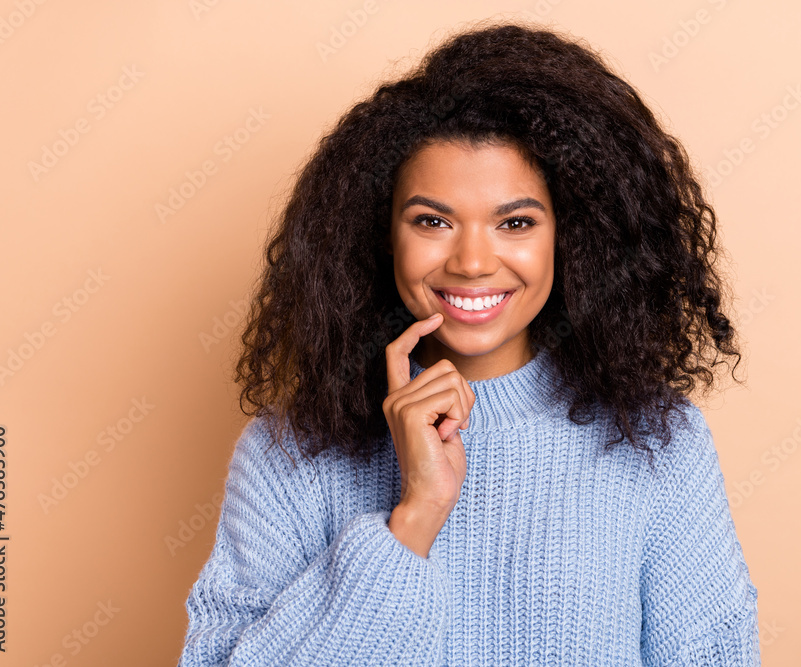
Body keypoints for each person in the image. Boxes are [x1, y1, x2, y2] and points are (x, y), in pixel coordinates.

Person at [177, 18, 759, 667]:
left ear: (576, 236)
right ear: (379, 236)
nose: (474, 261)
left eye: (515, 221)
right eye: (433, 220)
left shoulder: (658, 443)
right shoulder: (290, 455)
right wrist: (414, 517)